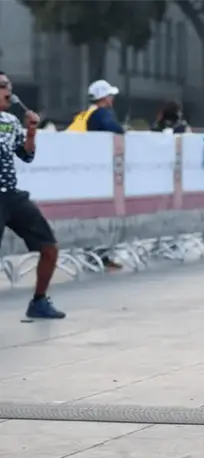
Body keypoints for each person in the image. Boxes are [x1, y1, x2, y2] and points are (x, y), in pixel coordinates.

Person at [0, 72, 66, 319]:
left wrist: (31, 132)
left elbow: (26, 155)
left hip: (12, 196)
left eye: (9, 85)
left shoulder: (10, 121)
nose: (8, 90)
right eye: (2, 86)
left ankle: (39, 301)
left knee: (49, 247)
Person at [66, 79, 124, 269]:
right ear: (104, 98)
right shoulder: (102, 114)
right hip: (100, 174)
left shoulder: (85, 114)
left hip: (85, 172)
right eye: (110, 96)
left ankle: (94, 254)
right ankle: (99, 256)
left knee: (93, 214)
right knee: (103, 214)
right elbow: (117, 131)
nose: (112, 99)